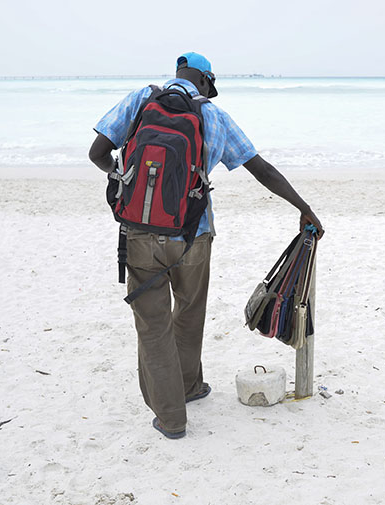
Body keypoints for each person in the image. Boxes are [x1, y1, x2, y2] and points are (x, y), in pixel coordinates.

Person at [88, 52, 323, 439]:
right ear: (204, 81)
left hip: (140, 235)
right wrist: (304, 208)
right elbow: (261, 169)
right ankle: (189, 387)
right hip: (194, 236)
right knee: (189, 312)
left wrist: (123, 176)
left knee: (153, 326)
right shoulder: (214, 116)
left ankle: (172, 417)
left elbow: (96, 154)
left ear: (178, 73)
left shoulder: (140, 100)